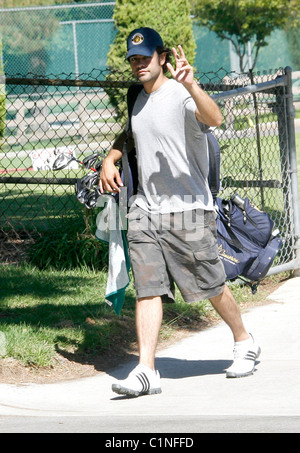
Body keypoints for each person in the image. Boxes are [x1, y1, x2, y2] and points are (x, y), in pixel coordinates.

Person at [99, 27, 261, 397]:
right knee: (147, 289)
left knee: (209, 285)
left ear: (162, 59)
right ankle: (146, 371)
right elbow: (132, 132)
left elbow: (215, 118)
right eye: (134, 59)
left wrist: (193, 86)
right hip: (145, 209)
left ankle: (245, 340)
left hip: (188, 209)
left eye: (145, 57)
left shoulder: (182, 95)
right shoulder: (136, 98)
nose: (139, 64)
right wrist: (111, 157)